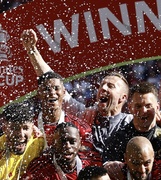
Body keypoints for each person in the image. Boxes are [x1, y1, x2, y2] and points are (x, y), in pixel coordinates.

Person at [21, 29, 133, 159]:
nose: (103, 88)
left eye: (110, 86)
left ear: (123, 98)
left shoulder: (130, 122)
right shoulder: (85, 115)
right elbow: (54, 84)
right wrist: (32, 51)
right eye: (102, 85)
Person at [36, 71, 101, 165]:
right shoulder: (30, 127)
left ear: (63, 92)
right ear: (39, 93)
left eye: (56, 88)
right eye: (47, 89)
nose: (52, 93)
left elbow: (93, 160)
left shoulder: (80, 127)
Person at [103, 82, 161, 162]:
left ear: (157, 107)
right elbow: (107, 163)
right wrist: (111, 165)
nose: (143, 111)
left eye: (148, 106)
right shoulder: (118, 139)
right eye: (138, 106)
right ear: (130, 108)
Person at [23, 122, 93, 179]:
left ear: (80, 143)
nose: (67, 146)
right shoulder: (38, 168)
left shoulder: (91, 164)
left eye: (72, 142)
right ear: (53, 143)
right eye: (62, 141)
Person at [0, 100, 45, 179]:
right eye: (15, 128)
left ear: (32, 127)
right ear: (4, 128)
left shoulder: (40, 143)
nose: (21, 134)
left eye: (25, 128)